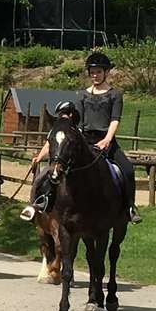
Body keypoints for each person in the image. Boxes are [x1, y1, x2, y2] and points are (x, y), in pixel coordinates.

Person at [24, 53, 140, 223]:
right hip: (84, 141)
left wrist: (107, 139)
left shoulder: (115, 95)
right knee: (55, 169)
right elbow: (78, 124)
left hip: (106, 140)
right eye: (92, 72)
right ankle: (42, 202)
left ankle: (129, 207)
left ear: (106, 72)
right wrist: (40, 156)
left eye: (98, 72)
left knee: (128, 169)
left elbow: (115, 119)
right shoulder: (82, 95)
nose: (95, 75)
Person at [20, 99, 78, 221]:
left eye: (65, 114)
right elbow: (48, 145)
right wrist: (38, 158)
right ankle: (34, 206)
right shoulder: (55, 130)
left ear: (71, 115)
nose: (62, 117)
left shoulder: (76, 131)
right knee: (39, 180)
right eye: (61, 114)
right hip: (55, 163)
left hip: (72, 166)